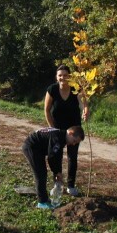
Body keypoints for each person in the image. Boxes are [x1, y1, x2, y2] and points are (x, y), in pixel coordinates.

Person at [44, 65, 89, 197]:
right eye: (60, 75)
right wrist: (52, 128)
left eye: (65, 75)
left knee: (72, 157)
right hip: (58, 128)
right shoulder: (52, 89)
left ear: (70, 77)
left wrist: (85, 112)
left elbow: (84, 104)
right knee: (56, 155)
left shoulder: (76, 88)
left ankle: (70, 185)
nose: (63, 78)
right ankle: (57, 183)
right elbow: (47, 110)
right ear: (56, 77)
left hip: (74, 129)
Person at [22, 126, 85, 209]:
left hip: (38, 149)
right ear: (70, 133)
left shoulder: (61, 137)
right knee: (40, 174)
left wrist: (57, 171)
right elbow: (52, 157)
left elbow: (57, 156)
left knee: (42, 173)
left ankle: (44, 199)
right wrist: (57, 172)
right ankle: (42, 202)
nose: (73, 144)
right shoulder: (57, 138)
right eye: (74, 141)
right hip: (31, 147)